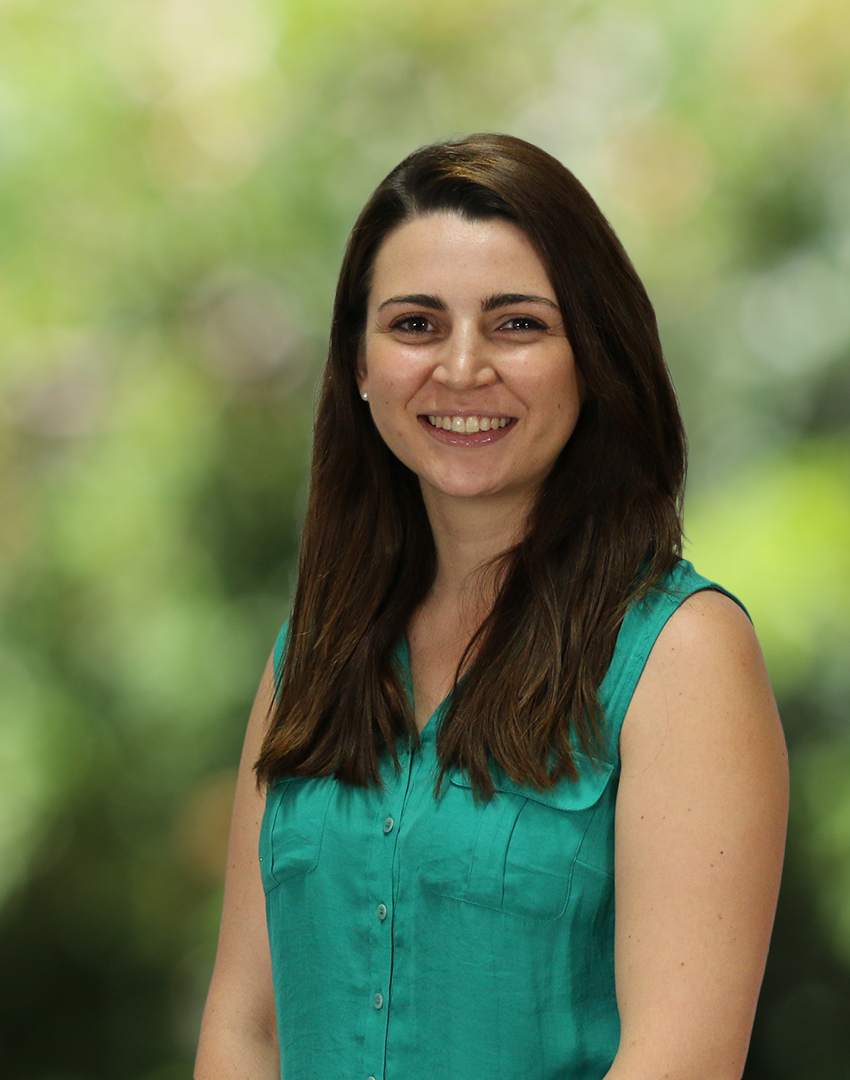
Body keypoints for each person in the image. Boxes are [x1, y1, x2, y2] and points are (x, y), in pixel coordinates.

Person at [194, 132, 788, 1080]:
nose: (463, 369)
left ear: (592, 357)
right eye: (416, 325)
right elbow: (244, 1027)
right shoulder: (310, 655)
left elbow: (680, 1060)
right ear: (358, 364)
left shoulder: (684, 656)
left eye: (516, 324)